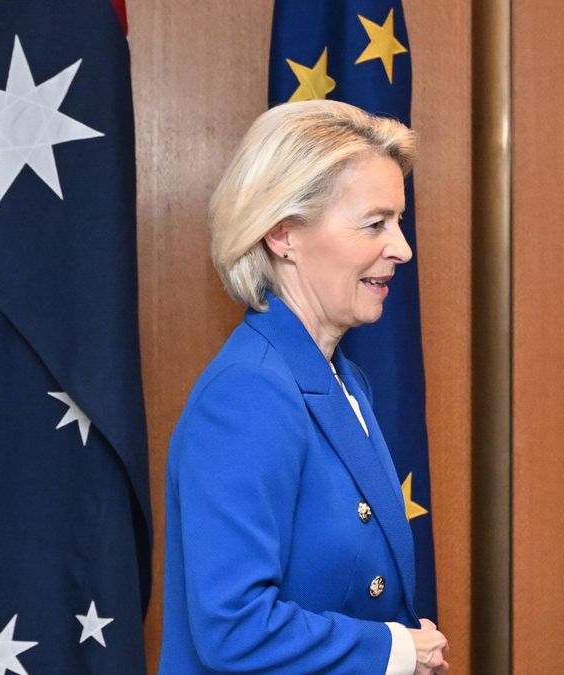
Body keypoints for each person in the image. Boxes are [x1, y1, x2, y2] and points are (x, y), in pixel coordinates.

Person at [159, 100, 449, 674]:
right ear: (283, 233)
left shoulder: (338, 375)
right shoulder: (247, 395)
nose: (402, 248)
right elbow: (234, 627)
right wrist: (393, 650)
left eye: (398, 222)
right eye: (375, 223)